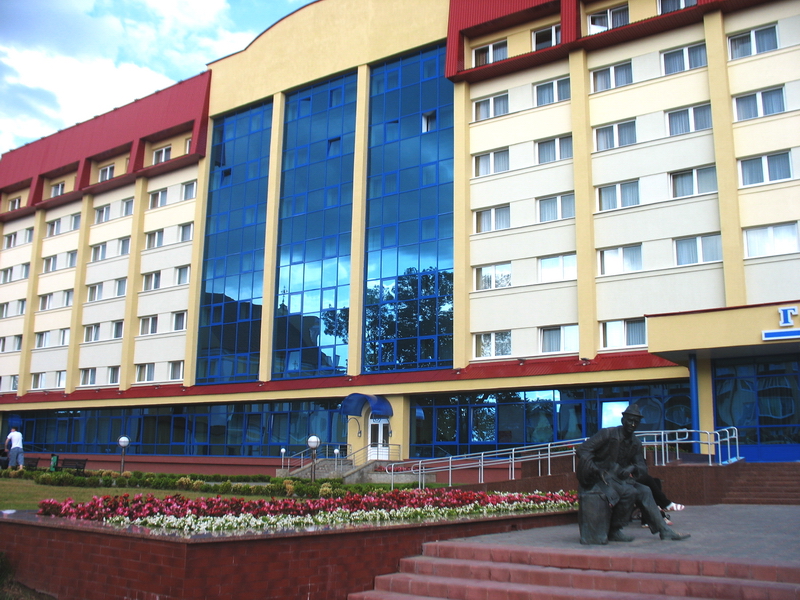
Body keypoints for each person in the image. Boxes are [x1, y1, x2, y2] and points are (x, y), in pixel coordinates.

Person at [576, 404, 690, 543]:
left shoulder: (635, 443)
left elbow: (642, 467)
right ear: (623, 420)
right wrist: (596, 469)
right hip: (599, 479)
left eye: (636, 422)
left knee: (645, 490)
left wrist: (632, 468)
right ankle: (613, 531)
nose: (632, 424)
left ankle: (664, 531)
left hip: (616, 480)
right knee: (629, 492)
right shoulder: (608, 433)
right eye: (630, 420)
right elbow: (583, 450)